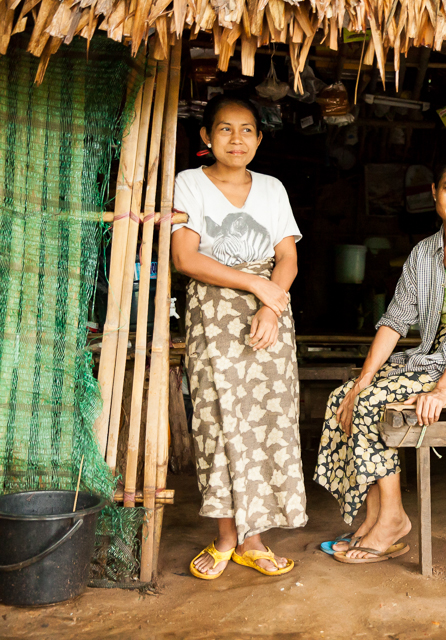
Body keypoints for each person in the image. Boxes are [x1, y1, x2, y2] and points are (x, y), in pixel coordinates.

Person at [314, 158, 446, 564]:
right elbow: (394, 321)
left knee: (373, 402)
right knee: (342, 397)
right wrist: (359, 381)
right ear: (434, 195)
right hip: (429, 361)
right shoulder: (423, 253)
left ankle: (393, 519)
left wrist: (442, 390)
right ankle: (374, 517)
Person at [172, 94, 307, 579]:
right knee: (219, 420)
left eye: (247, 130)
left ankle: (254, 538)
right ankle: (227, 534)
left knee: (267, 422)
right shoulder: (189, 183)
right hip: (214, 312)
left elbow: (287, 258)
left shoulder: (272, 189)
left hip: (272, 311)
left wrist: (271, 306)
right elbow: (185, 258)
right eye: (225, 129)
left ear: (260, 138)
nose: (237, 139)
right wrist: (256, 285)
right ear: (207, 137)